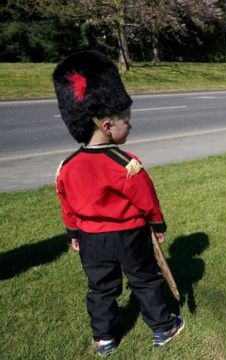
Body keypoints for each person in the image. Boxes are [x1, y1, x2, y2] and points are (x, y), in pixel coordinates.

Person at [53, 50, 184, 356]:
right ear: (108, 125)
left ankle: (104, 338)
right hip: (130, 235)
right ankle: (163, 327)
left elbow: (67, 204)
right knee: (145, 280)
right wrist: (157, 225)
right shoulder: (126, 163)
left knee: (101, 287)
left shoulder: (67, 166)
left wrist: (73, 233)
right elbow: (146, 199)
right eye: (127, 120)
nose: (131, 125)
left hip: (90, 239)